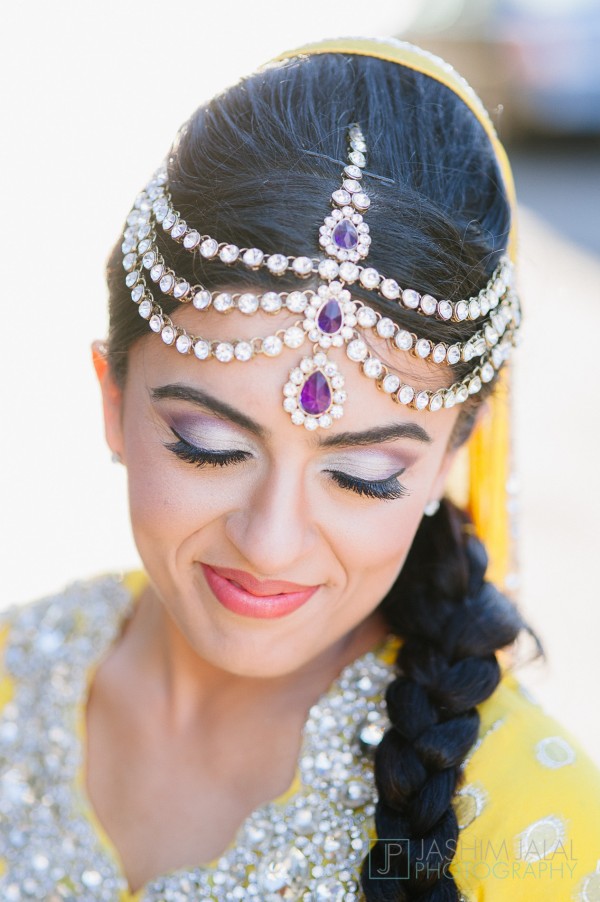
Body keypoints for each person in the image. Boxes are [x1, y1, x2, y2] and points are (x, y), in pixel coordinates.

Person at [0, 36, 599, 902]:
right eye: (209, 444)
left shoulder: (537, 830)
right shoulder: (12, 674)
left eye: (363, 474)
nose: (270, 543)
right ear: (112, 399)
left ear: (451, 461)